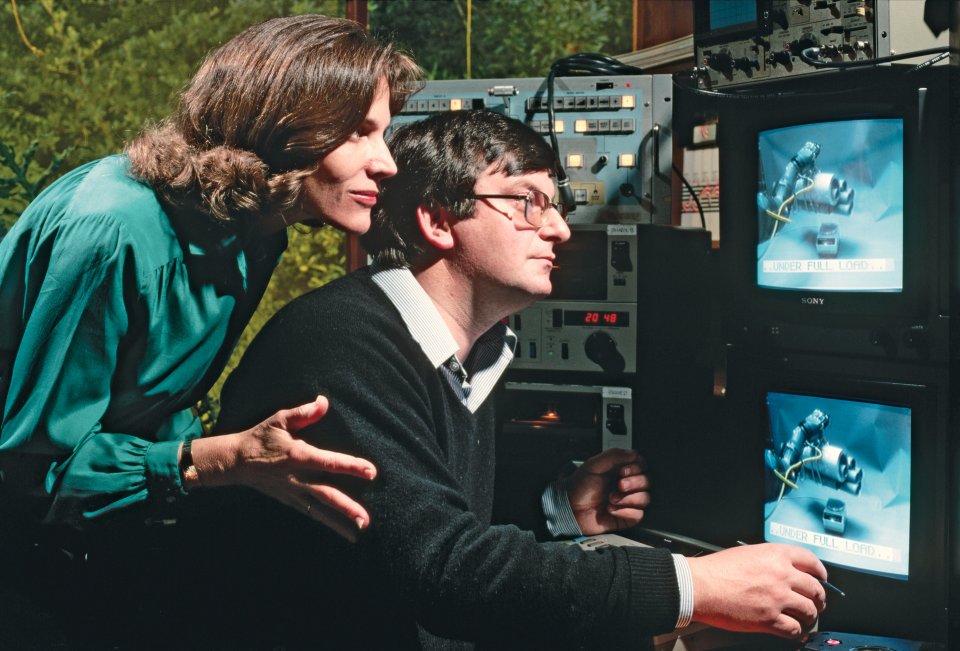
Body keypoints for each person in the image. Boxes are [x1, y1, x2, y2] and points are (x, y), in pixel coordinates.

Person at [213, 109, 830, 650]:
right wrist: (695, 585)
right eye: (527, 201)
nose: (559, 228)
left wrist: (558, 511)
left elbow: (422, 521)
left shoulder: (467, 351)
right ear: (438, 221)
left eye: (555, 205)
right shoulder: (340, 345)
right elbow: (445, 572)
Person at [0, 14, 420, 647]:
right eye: (360, 132)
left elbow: (150, 410)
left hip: (114, 533)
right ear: (287, 125)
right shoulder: (113, 233)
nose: (385, 162)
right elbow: (30, 474)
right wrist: (227, 460)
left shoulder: (263, 226)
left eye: (384, 133)